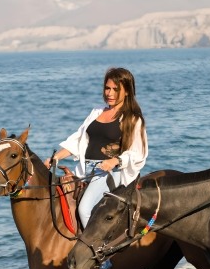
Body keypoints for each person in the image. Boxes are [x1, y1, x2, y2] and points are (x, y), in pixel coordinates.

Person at [44, 67, 148, 231]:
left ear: (127, 91)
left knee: (84, 210)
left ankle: (101, 255)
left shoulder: (133, 119)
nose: (110, 93)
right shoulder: (96, 112)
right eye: (107, 88)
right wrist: (55, 158)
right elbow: (78, 140)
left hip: (107, 172)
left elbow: (138, 153)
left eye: (115, 89)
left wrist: (115, 160)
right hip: (84, 170)